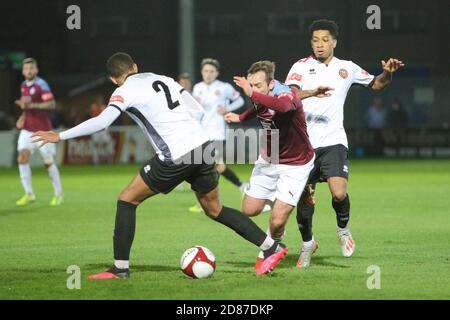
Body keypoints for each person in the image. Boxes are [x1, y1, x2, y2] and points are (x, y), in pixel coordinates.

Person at [32, 52, 287, 278]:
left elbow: (102, 122)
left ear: (113, 79)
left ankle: (120, 268)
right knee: (215, 209)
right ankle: (271, 246)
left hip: (176, 155)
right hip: (203, 146)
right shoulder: (162, 78)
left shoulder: (122, 91)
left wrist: (60, 135)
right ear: (135, 67)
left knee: (126, 200)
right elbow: (197, 110)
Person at [285, 19, 405, 268]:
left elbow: (377, 84)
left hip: (333, 141)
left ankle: (343, 229)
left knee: (338, 193)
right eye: (315, 40)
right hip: (304, 144)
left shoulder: (347, 68)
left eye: (325, 40)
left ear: (334, 42)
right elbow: (289, 94)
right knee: (304, 199)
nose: (320, 45)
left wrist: (387, 73)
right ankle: (308, 244)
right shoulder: (300, 66)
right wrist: (312, 92)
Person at [225, 61, 329, 269]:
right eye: (251, 85)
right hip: (270, 157)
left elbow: (283, 107)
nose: (254, 90)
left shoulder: (286, 93)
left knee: (277, 220)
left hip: (296, 163)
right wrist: (242, 116)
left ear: (272, 84)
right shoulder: (259, 93)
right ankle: (294, 197)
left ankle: (271, 251)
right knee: (249, 209)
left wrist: (251, 93)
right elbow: (259, 105)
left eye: (258, 86)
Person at [188, 58, 247, 213]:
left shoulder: (224, 87)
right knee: (217, 166)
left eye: (211, 71)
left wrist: (227, 109)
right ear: (202, 72)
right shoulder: (197, 87)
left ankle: (206, 201)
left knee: (208, 167)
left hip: (219, 132)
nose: (208, 74)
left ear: (217, 73)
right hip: (202, 133)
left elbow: (240, 100)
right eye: (206, 71)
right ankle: (242, 186)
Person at [15, 57, 64, 206]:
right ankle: (29, 194)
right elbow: (26, 106)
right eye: (26, 69)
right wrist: (22, 116)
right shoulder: (23, 85)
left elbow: (51, 104)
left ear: (36, 70)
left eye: (31, 68)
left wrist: (32, 105)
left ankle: (58, 194)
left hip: (43, 129)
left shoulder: (41, 84)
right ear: (23, 71)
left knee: (48, 162)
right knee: (22, 158)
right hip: (27, 129)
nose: (28, 71)